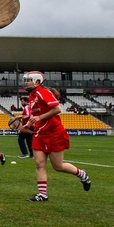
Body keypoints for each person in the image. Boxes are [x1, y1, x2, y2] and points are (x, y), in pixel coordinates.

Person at [22, 71, 92, 202]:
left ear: (37, 81)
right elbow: (36, 114)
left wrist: (39, 118)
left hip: (54, 133)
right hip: (40, 133)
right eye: (25, 80)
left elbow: (57, 109)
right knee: (39, 163)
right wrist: (29, 123)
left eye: (28, 80)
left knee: (58, 166)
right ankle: (42, 194)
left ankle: (82, 174)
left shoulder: (43, 93)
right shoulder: (31, 96)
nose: (26, 83)